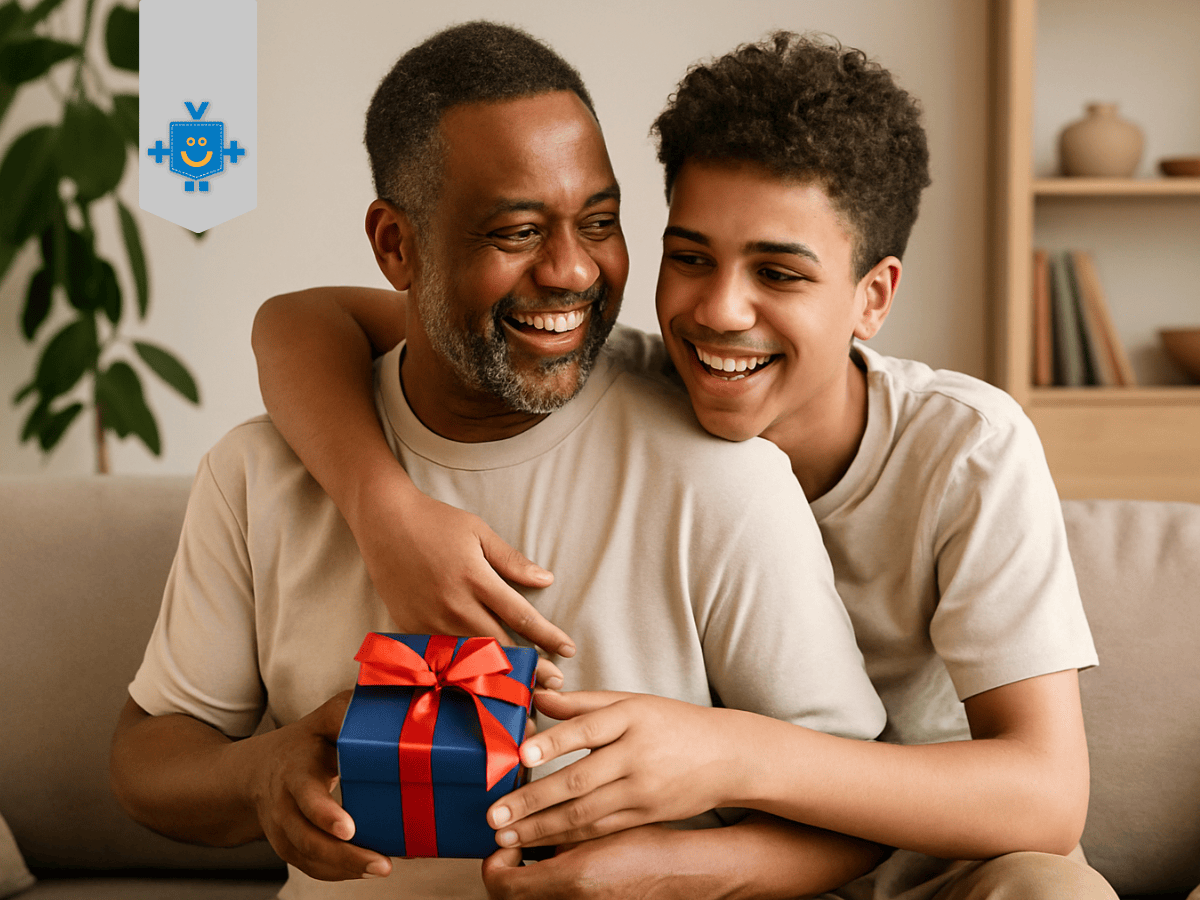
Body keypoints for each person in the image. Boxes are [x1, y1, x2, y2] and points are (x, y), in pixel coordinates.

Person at [250, 30, 1118, 900]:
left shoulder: (965, 447)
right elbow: (296, 322)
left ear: (873, 296)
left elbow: (1047, 797)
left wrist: (733, 758)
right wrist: (384, 511)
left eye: (778, 273)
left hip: (936, 875)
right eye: (691, 257)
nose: (719, 310)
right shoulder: (620, 378)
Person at [109, 22, 889, 900]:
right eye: (517, 232)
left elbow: (859, 805)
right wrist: (258, 776)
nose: (571, 271)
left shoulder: (720, 469)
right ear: (394, 246)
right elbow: (147, 759)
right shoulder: (261, 469)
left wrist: (683, 872)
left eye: (599, 222)